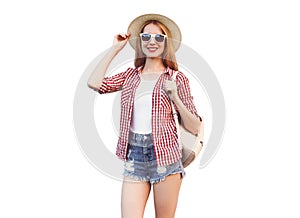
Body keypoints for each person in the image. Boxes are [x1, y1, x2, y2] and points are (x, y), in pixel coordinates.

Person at [87, 13, 202, 218]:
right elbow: (95, 83)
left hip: (166, 158)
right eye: (146, 37)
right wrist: (115, 49)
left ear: (166, 43)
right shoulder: (130, 75)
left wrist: (175, 97)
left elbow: (194, 125)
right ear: (140, 41)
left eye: (159, 37)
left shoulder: (176, 78)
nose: (152, 42)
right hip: (135, 158)